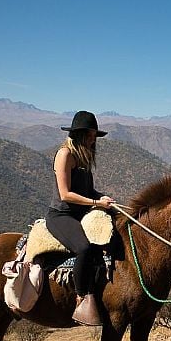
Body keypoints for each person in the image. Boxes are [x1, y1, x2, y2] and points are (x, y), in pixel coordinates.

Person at [45, 111, 114, 326]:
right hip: (61, 215)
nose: (94, 139)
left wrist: (102, 199)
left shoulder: (84, 157)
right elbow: (65, 194)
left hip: (81, 213)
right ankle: (81, 296)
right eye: (91, 135)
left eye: (95, 135)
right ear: (81, 134)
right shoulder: (65, 154)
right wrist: (96, 204)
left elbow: (88, 191)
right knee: (84, 247)